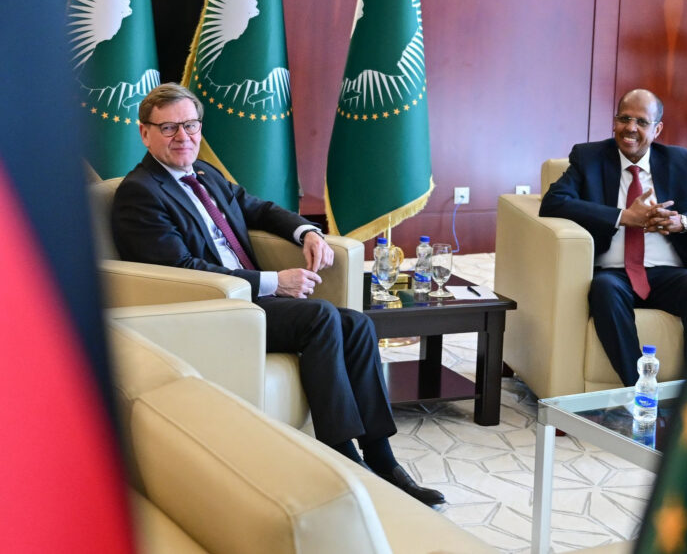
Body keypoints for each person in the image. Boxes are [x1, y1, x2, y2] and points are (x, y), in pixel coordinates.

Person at [111, 83, 444, 507]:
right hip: (212, 309)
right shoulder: (140, 193)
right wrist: (273, 281)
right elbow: (179, 270)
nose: (184, 137)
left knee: (358, 323)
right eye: (170, 127)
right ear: (145, 133)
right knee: (320, 318)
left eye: (191, 125)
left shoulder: (205, 174)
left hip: (251, 300)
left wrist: (306, 231)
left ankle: (382, 458)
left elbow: (259, 208)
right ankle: (341, 456)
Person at [539, 89, 687, 385]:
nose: (630, 128)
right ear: (614, 123)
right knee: (604, 289)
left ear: (657, 130)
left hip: (669, 273)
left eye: (641, 122)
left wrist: (684, 222)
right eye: (624, 119)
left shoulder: (683, 162)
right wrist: (622, 217)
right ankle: (640, 392)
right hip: (614, 273)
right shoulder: (588, 158)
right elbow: (553, 202)